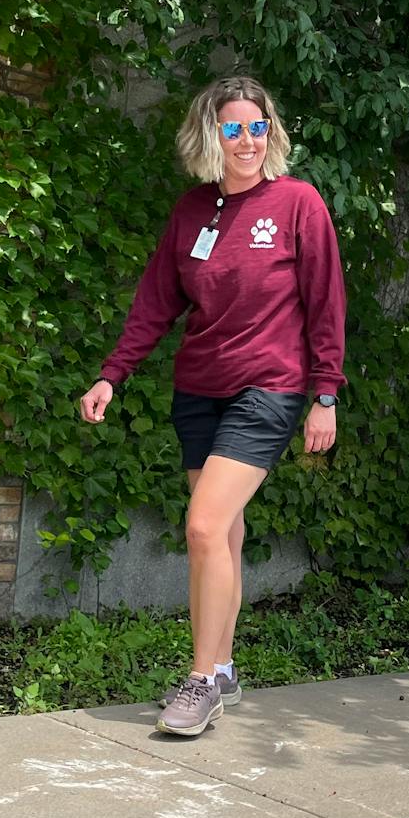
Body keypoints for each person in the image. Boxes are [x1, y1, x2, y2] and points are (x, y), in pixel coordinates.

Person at [79, 76, 347, 737]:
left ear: (271, 132)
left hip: (269, 388)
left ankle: (200, 682)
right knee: (222, 532)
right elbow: (156, 302)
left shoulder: (297, 203)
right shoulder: (192, 211)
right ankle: (221, 666)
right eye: (233, 129)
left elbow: (326, 302)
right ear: (212, 136)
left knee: (202, 527)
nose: (248, 141)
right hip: (199, 388)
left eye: (258, 127)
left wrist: (325, 393)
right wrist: (113, 374)